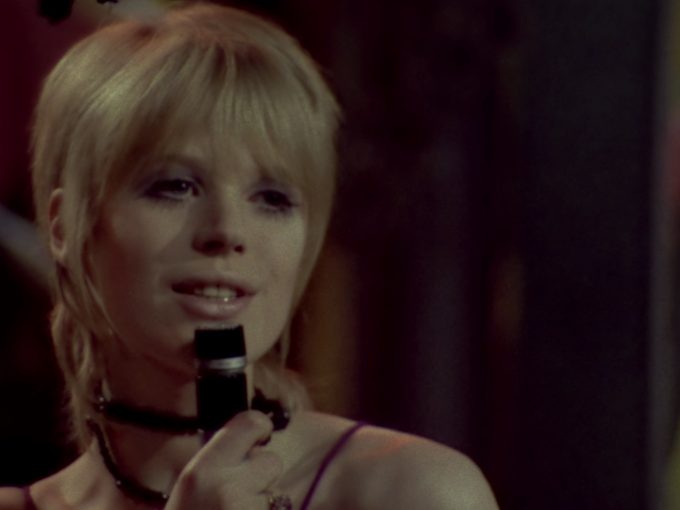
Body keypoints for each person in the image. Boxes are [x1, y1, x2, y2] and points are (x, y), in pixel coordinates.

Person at [0, 2, 499, 509]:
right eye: (176, 186)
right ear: (65, 226)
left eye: (273, 199)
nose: (227, 231)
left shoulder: (413, 491)